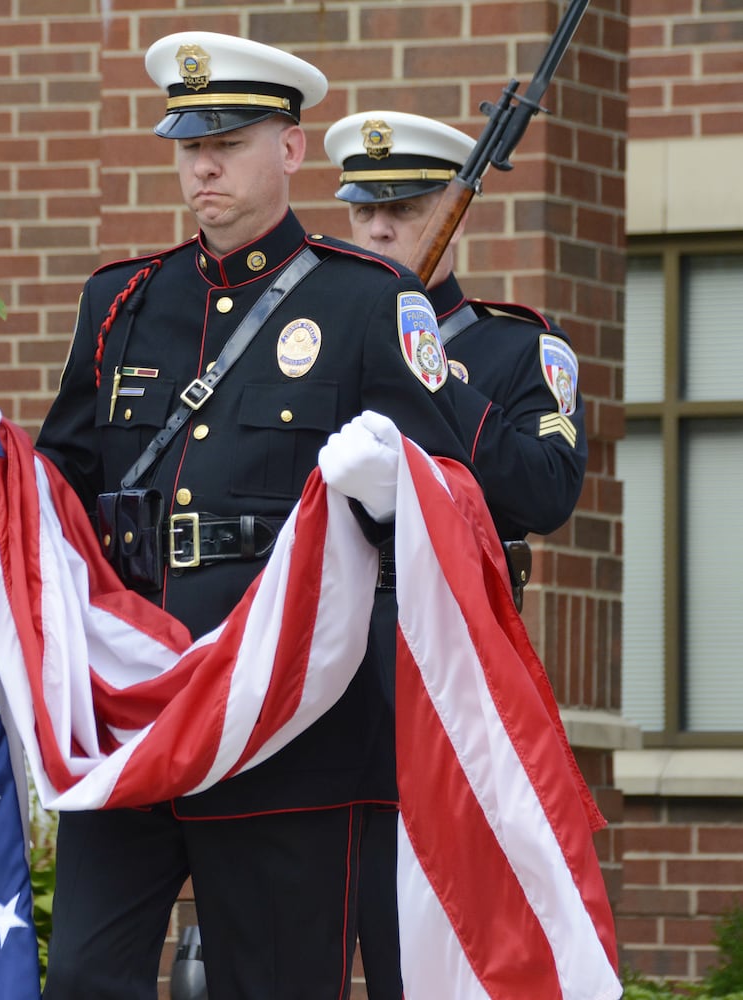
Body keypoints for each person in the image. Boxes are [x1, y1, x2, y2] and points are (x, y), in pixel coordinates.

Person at [0, 31, 470, 1000]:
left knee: (272, 980)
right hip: (134, 702)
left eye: (227, 141)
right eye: (188, 145)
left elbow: (448, 508)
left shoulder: (365, 300)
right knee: (89, 973)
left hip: (287, 712)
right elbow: (67, 486)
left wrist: (393, 494)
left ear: (291, 150)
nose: (203, 165)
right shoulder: (124, 300)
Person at [323, 108, 588, 998]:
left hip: (444, 663)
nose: (381, 228)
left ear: (450, 213)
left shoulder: (516, 351)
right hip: (322, 652)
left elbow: (544, 492)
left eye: (405, 206)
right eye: (365, 211)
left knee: (428, 945)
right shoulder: (315, 345)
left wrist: (431, 372)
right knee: (290, 933)